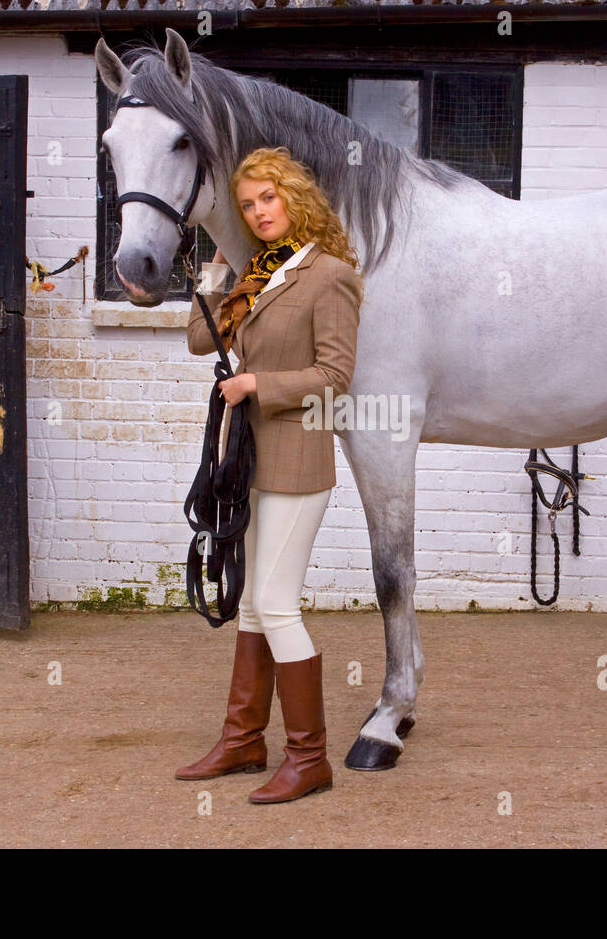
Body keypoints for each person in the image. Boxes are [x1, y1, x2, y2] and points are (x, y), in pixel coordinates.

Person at [177, 146, 363, 804]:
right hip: (246, 463)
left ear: (294, 198)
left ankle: (309, 758)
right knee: (254, 602)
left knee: (278, 605)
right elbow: (201, 340)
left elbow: (335, 378)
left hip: (297, 463)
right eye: (249, 203)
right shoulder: (260, 269)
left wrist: (259, 382)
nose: (258, 212)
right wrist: (218, 268)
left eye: (268, 198)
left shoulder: (330, 275)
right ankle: (243, 741)